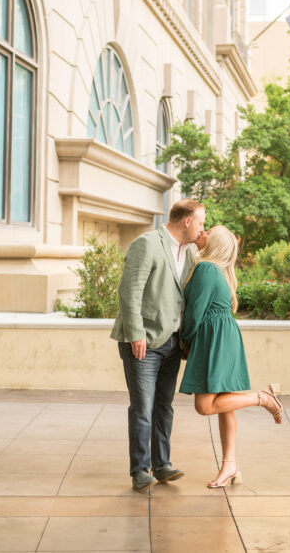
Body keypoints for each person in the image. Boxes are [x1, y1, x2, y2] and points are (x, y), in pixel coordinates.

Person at [111, 199, 206, 492]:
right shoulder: (147, 243)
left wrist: (186, 340)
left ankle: (162, 465)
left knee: (164, 406)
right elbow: (129, 292)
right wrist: (136, 333)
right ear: (187, 221)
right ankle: (140, 470)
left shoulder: (189, 252)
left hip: (173, 343)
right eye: (201, 222)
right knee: (143, 406)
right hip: (144, 341)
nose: (203, 228)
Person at [179, 225, 283, 489]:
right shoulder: (218, 271)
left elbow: (194, 314)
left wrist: (184, 343)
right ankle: (230, 466)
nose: (202, 233)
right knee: (225, 404)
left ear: (214, 242)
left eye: (208, 231)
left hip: (214, 340)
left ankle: (263, 398)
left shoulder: (206, 269)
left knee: (205, 406)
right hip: (223, 337)